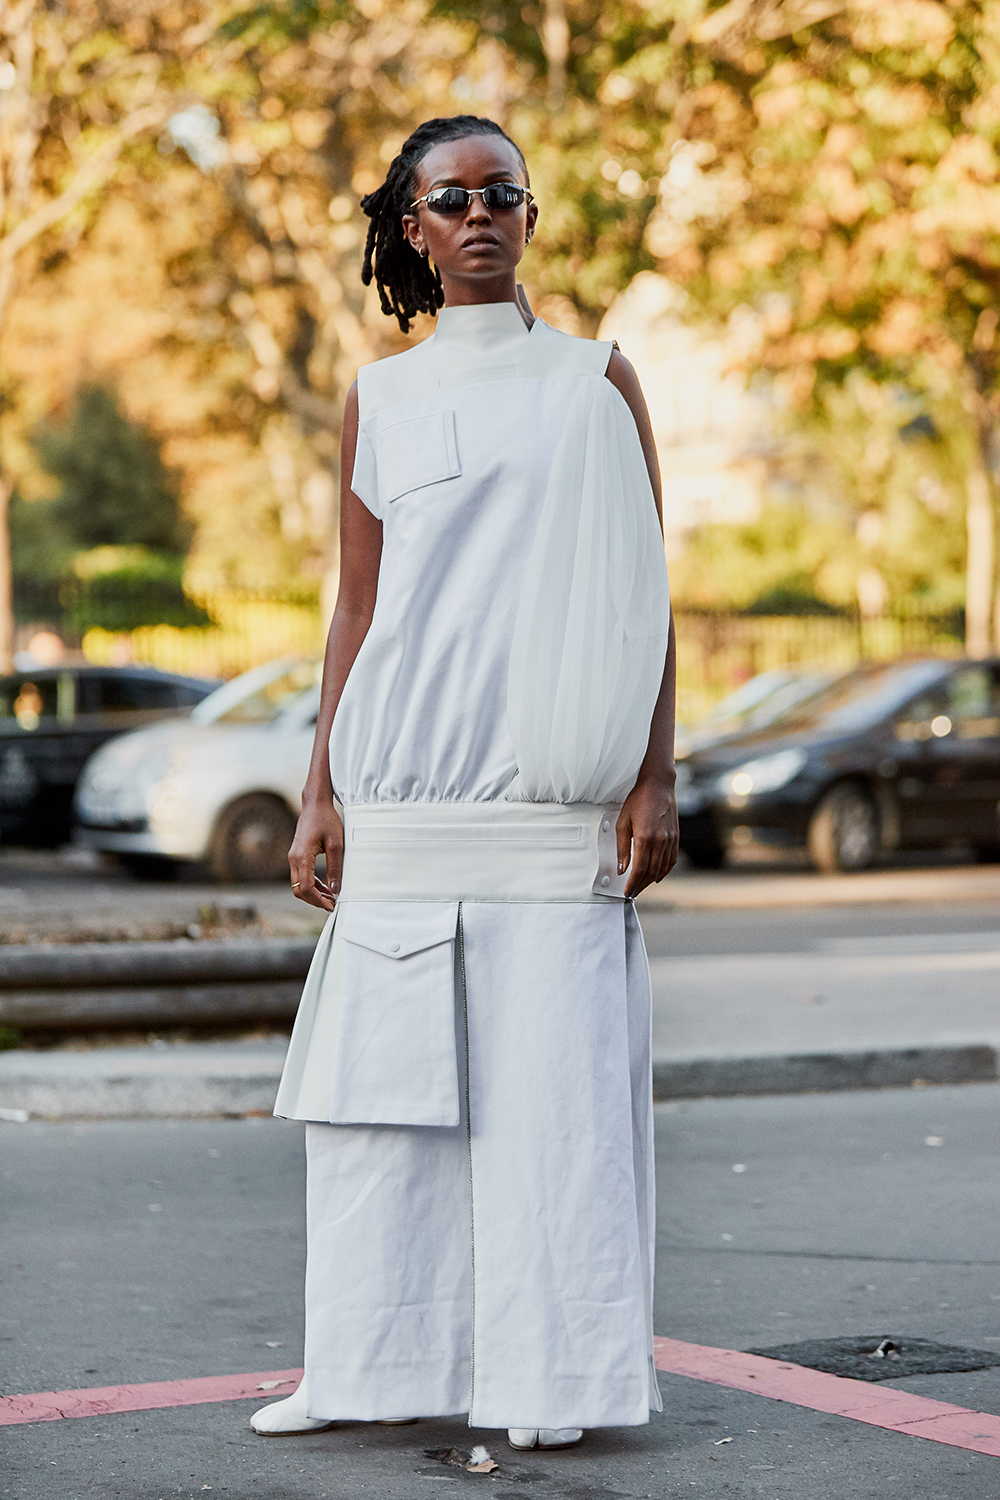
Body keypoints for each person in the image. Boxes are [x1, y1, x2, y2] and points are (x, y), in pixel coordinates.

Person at [252, 113, 678, 1454]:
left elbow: (646, 594)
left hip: (548, 812)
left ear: (531, 216)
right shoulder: (378, 396)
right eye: (451, 198)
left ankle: (553, 1387)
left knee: (554, 1119)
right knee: (378, 1119)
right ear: (414, 229)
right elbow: (356, 607)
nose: (479, 214)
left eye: (503, 192)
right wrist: (319, 792)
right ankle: (360, 1368)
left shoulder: (595, 379)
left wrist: (657, 776)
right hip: (402, 806)